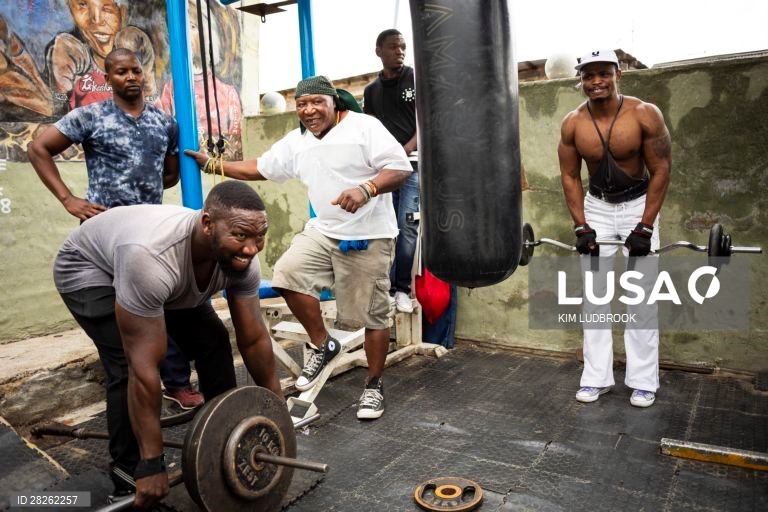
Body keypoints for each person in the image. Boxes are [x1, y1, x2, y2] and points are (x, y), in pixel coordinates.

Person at [186, 75, 412, 420]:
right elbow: (259, 167)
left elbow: (398, 168)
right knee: (288, 274)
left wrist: (366, 189)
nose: (309, 110)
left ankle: (373, 384)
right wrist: (213, 165)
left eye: (317, 103)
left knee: (373, 315)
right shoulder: (298, 142)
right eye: (302, 105)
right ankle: (324, 343)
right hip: (325, 230)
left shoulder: (365, 127)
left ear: (334, 102)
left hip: (370, 233)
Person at [51, 180, 282, 508]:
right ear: (207, 225)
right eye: (241, 236)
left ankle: (227, 436)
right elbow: (142, 368)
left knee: (214, 340)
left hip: (158, 276)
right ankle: (129, 472)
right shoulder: (152, 258)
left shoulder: (242, 258)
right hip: (89, 270)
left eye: (259, 236)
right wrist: (154, 461)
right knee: (125, 363)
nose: (251, 248)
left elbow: (253, 337)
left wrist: (276, 410)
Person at [28, 48, 203, 410]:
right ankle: (135, 391)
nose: (130, 77)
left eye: (136, 70)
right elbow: (38, 148)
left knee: (159, 305)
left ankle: (176, 383)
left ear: (143, 74)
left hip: (151, 233)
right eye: (121, 72)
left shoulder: (164, 122)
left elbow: (170, 173)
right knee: (125, 313)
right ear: (108, 78)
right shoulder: (91, 116)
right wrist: (68, 199)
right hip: (105, 236)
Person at [558, 49, 671, 408]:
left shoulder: (644, 114)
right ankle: (596, 379)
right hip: (597, 207)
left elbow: (662, 169)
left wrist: (645, 226)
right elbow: (570, 175)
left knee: (640, 298)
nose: (596, 82)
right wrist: (581, 226)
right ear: (581, 80)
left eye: (603, 73)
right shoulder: (573, 123)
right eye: (588, 75)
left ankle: (643, 382)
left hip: (639, 204)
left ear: (618, 73)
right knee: (595, 299)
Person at [363, 28, 418, 314]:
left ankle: (403, 291)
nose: (400, 52)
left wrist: (404, 151)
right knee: (386, 229)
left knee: (407, 227)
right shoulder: (371, 91)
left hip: (412, 166)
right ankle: (387, 288)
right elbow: (369, 129)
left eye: (403, 47)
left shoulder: (415, 78)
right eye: (394, 47)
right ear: (379, 51)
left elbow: (425, 123)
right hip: (384, 169)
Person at [45, 0, 156, 113]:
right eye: (82, 6)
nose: (97, 20)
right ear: (71, 11)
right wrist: (60, 93)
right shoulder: (70, 51)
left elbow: (152, 105)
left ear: (123, 12)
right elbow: (58, 117)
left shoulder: (134, 45)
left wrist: (146, 82)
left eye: (108, 8)